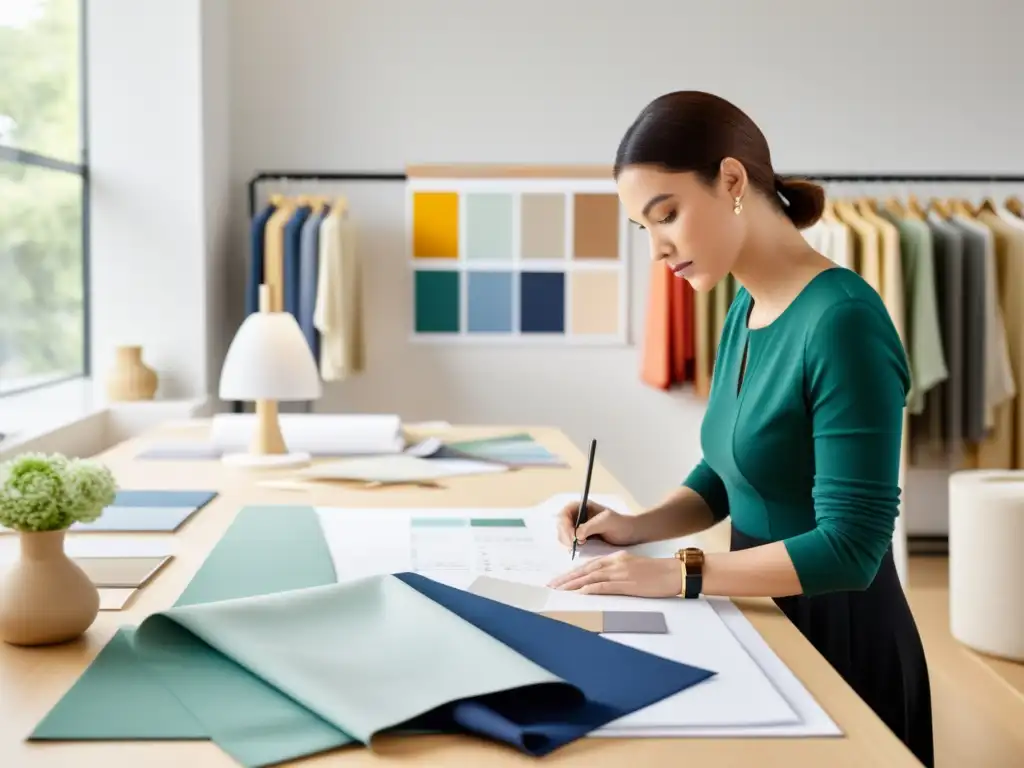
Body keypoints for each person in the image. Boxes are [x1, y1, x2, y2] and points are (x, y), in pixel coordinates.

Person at [547, 91, 933, 767]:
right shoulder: (744, 308)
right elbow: (730, 472)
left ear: (731, 181)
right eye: (644, 228)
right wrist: (636, 524)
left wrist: (678, 573)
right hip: (763, 619)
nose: (658, 249)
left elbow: (852, 546)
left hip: (840, 643)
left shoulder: (843, 321)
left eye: (665, 216)